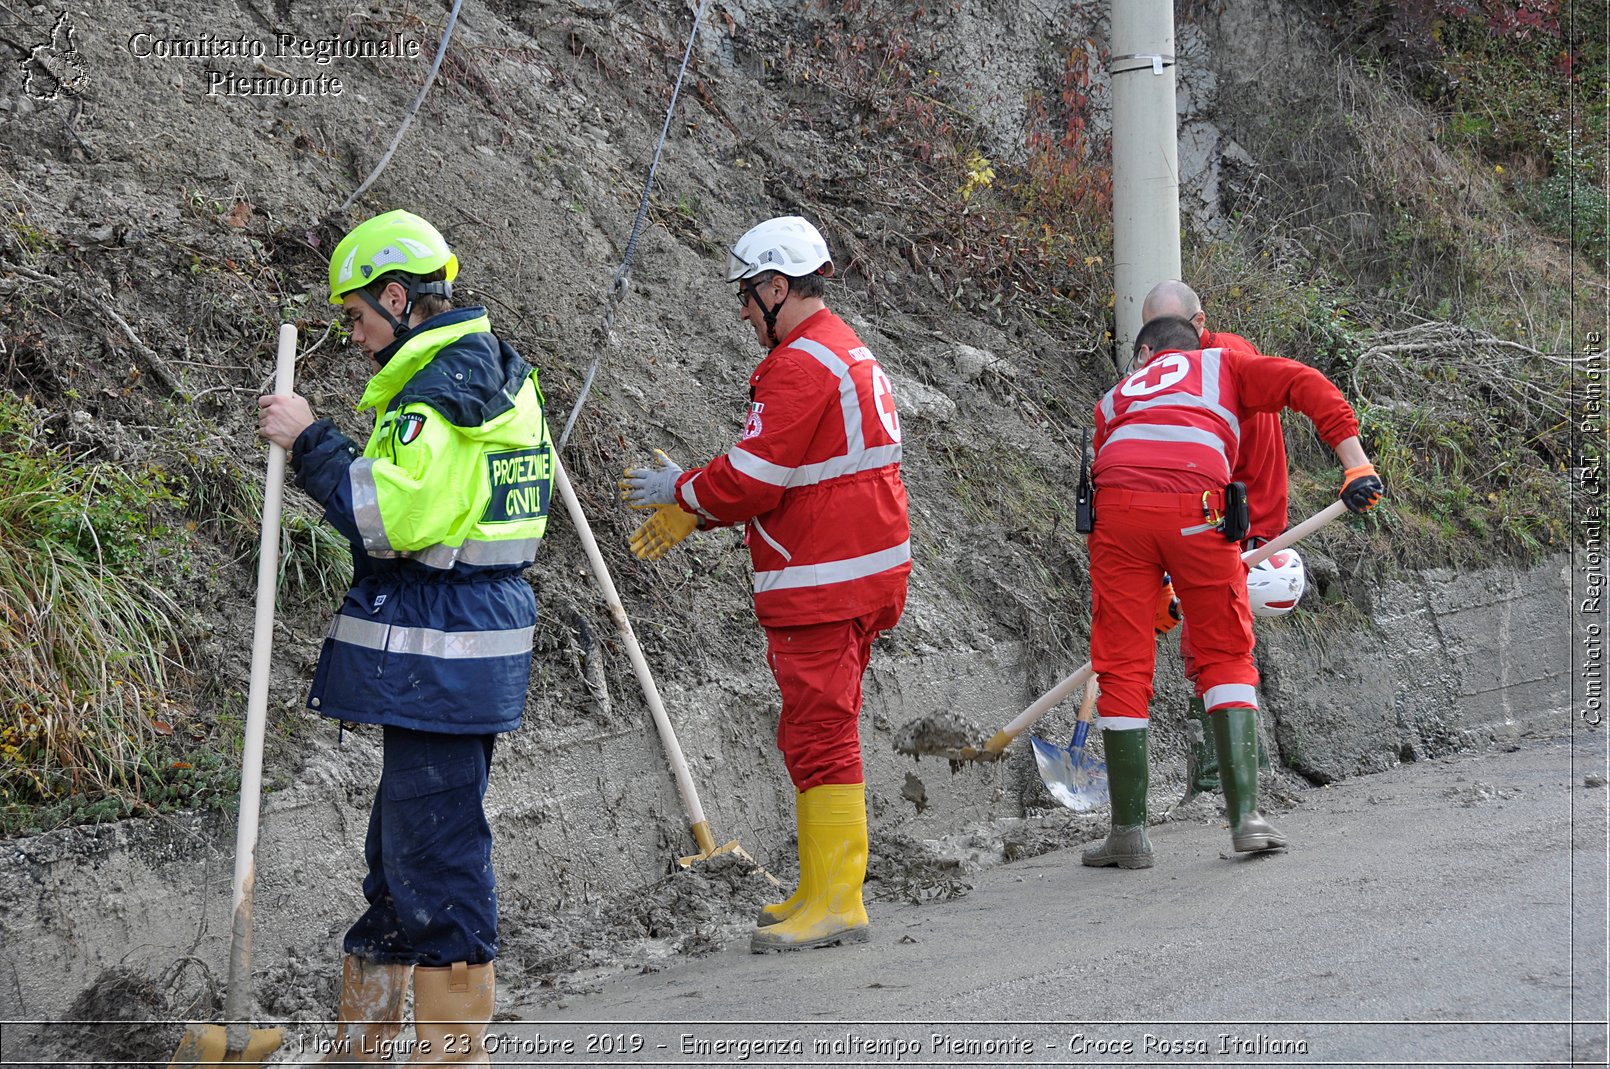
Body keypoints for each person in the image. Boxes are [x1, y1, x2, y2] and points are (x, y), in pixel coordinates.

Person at [257, 209, 553, 1064]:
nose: (354, 337)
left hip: (443, 652)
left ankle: (449, 1054)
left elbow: (385, 520)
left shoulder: (440, 392)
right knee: (400, 853)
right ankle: (367, 1045)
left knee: (434, 856)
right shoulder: (489, 371)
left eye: (356, 317)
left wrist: (311, 440)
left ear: (398, 298)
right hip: (458, 646)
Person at [618, 215, 910, 953]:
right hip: (855, 568)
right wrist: (700, 504)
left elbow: (755, 475)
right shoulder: (841, 352)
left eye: (747, 296)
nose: (743, 311)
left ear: (778, 287)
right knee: (817, 727)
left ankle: (838, 899)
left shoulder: (803, 364)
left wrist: (683, 494)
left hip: (824, 577)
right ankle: (823, 887)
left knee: (821, 730)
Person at [1081, 315, 1383, 868]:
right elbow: (1306, 384)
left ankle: (1128, 834)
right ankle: (1246, 819)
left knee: (1122, 668)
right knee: (1224, 656)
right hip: (1199, 512)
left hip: (1116, 520)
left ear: (1146, 353)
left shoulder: (1115, 397)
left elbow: (1117, 479)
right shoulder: (1224, 363)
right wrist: (1355, 464)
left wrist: (1151, 592)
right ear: (1196, 343)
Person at [1140, 280, 1286, 800]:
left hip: (1235, 519)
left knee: (1211, 642)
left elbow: (1220, 462)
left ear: (1200, 325)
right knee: (1217, 642)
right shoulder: (1207, 364)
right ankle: (1243, 770)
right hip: (1215, 514)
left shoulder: (1226, 363)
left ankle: (1221, 778)